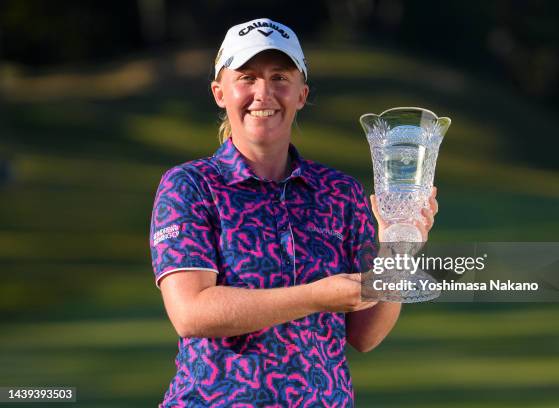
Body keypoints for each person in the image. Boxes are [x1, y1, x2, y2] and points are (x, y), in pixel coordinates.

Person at [149, 17, 438, 407]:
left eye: (279, 77)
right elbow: (192, 313)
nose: (263, 93)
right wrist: (316, 297)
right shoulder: (191, 186)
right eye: (247, 77)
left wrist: (399, 248)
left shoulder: (339, 192)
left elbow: (365, 335)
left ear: (301, 93)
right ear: (220, 92)